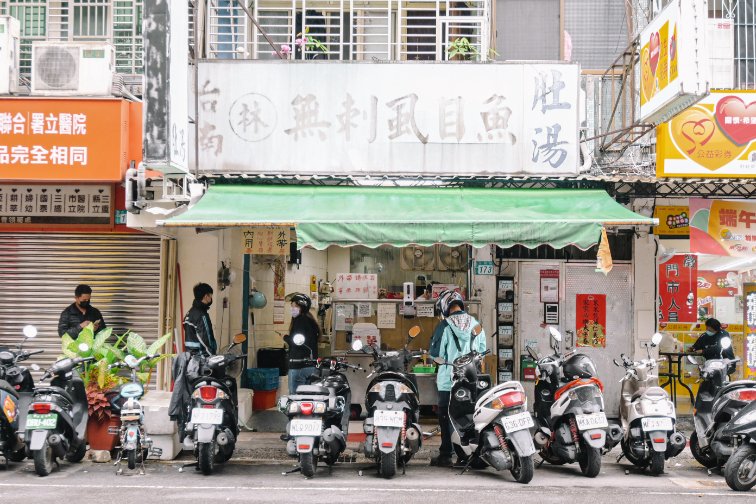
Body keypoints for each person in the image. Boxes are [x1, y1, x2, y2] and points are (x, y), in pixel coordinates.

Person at [429, 290, 486, 468]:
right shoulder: (476, 324)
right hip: (471, 378)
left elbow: (435, 354)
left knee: (447, 417)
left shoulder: (444, 326)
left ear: (445, 307)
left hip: (448, 380)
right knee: (472, 416)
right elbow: (483, 351)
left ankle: (446, 454)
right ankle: (473, 454)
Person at [283, 293, 320, 395]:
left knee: (295, 400)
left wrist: (285, 337)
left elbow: (297, 342)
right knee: (309, 398)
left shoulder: (300, 321)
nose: (292, 309)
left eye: (294, 306)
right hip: (311, 366)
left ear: (301, 307)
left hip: (299, 366)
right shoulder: (311, 321)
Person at [183, 282, 217, 355]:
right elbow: (205, 339)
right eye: (210, 296)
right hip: (201, 358)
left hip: (191, 357)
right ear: (205, 296)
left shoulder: (190, 313)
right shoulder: (201, 315)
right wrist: (212, 356)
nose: (211, 298)